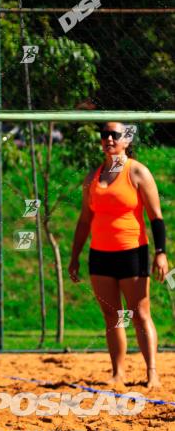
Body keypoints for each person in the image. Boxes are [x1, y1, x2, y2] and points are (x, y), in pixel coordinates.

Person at [68, 123, 168, 390]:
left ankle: (152, 373)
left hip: (132, 253)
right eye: (105, 135)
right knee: (112, 316)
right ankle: (118, 373)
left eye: (115, 134)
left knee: (139, 315)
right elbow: (84, 220)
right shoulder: (93, 177)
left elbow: (156, 217)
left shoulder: (137, 171)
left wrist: (161, 253)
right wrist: (75, 256)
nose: (109, 138)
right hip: (100, 255)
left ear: (126, 140)